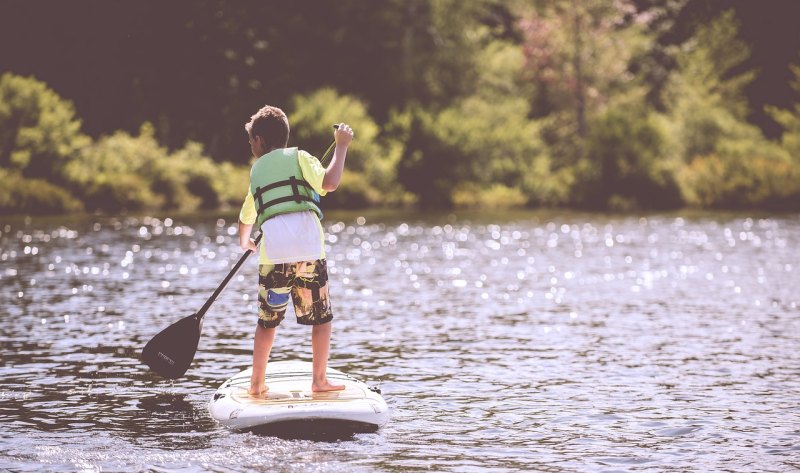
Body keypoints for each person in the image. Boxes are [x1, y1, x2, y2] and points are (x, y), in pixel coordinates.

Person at [237, 105, 353, 395]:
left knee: (267, 323)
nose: (250, 145)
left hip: (274, 256)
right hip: (309, 252)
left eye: (251, 140)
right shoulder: (301, 157)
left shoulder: (256, 171)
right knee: (321, 319)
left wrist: (245, 242)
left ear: (260, 140)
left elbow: (246, 216)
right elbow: (330, 182)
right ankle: (319, 381)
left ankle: (256, 384)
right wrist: (341, 147)